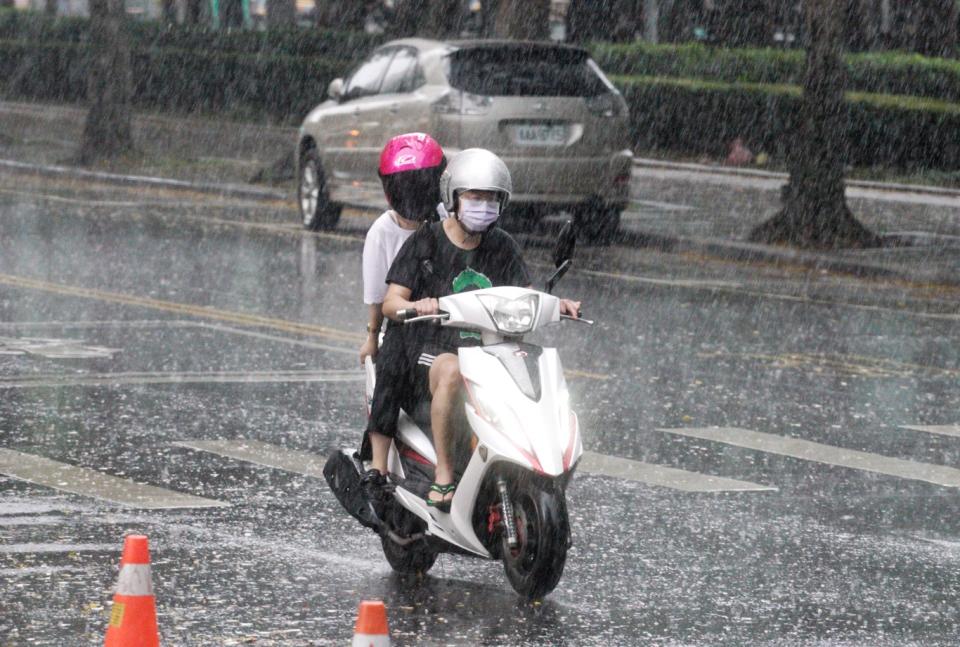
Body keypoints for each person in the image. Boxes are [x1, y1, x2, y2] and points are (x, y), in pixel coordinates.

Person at [382, 149, 581, 512]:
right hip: (435, 348)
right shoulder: (427, 240)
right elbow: (391, 301)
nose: (483, 206)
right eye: (475, 197)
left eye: (491, 199)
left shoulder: (501, 245)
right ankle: (444, 473)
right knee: (454, 371)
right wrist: (417, 306)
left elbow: (522, 293)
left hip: (490, 349)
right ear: (453, 197)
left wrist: (557, 304)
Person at [359, 132, 446, 519]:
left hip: (447, 324)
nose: (414, 197)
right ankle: (377, 467)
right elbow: (377, 294)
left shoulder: (447, 223)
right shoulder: (383, 231)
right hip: (403, 326)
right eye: (406, 187)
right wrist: (371, 337)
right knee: (390, 374)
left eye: (422, 186)